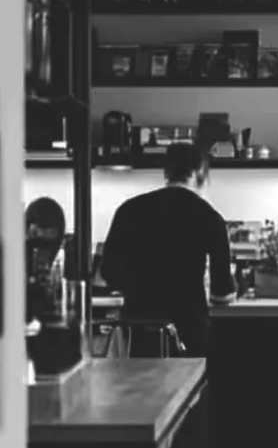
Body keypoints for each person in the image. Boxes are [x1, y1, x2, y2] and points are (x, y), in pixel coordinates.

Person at [99, 143, 235, 357]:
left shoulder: (129, 210)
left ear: (166, 172)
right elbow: (222, 292)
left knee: (140, 389)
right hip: (189, 335)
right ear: (200, 171)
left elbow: (108, 273)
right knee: (188, 389)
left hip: (138, 335)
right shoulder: (209, 217)